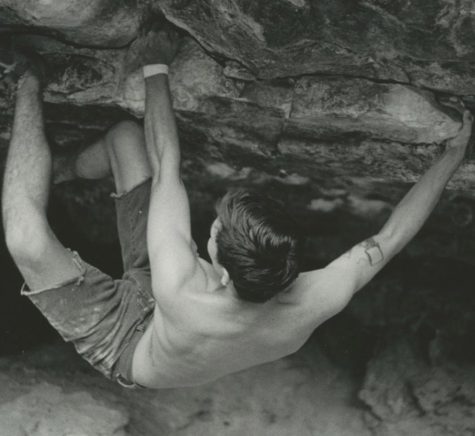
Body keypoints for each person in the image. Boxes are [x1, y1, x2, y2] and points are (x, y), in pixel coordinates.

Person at [2, 29, 472, 389]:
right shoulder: (320, 295)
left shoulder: (181, 285)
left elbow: (169, 166)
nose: (211, 231)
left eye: (214, 234)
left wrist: (155, 67)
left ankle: (28, 78)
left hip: (126, 344)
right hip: (172, 318)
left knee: (25, 238)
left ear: (220, 269)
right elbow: (392, 238)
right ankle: (53, 169)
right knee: (125, 139)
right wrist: (452, 154)